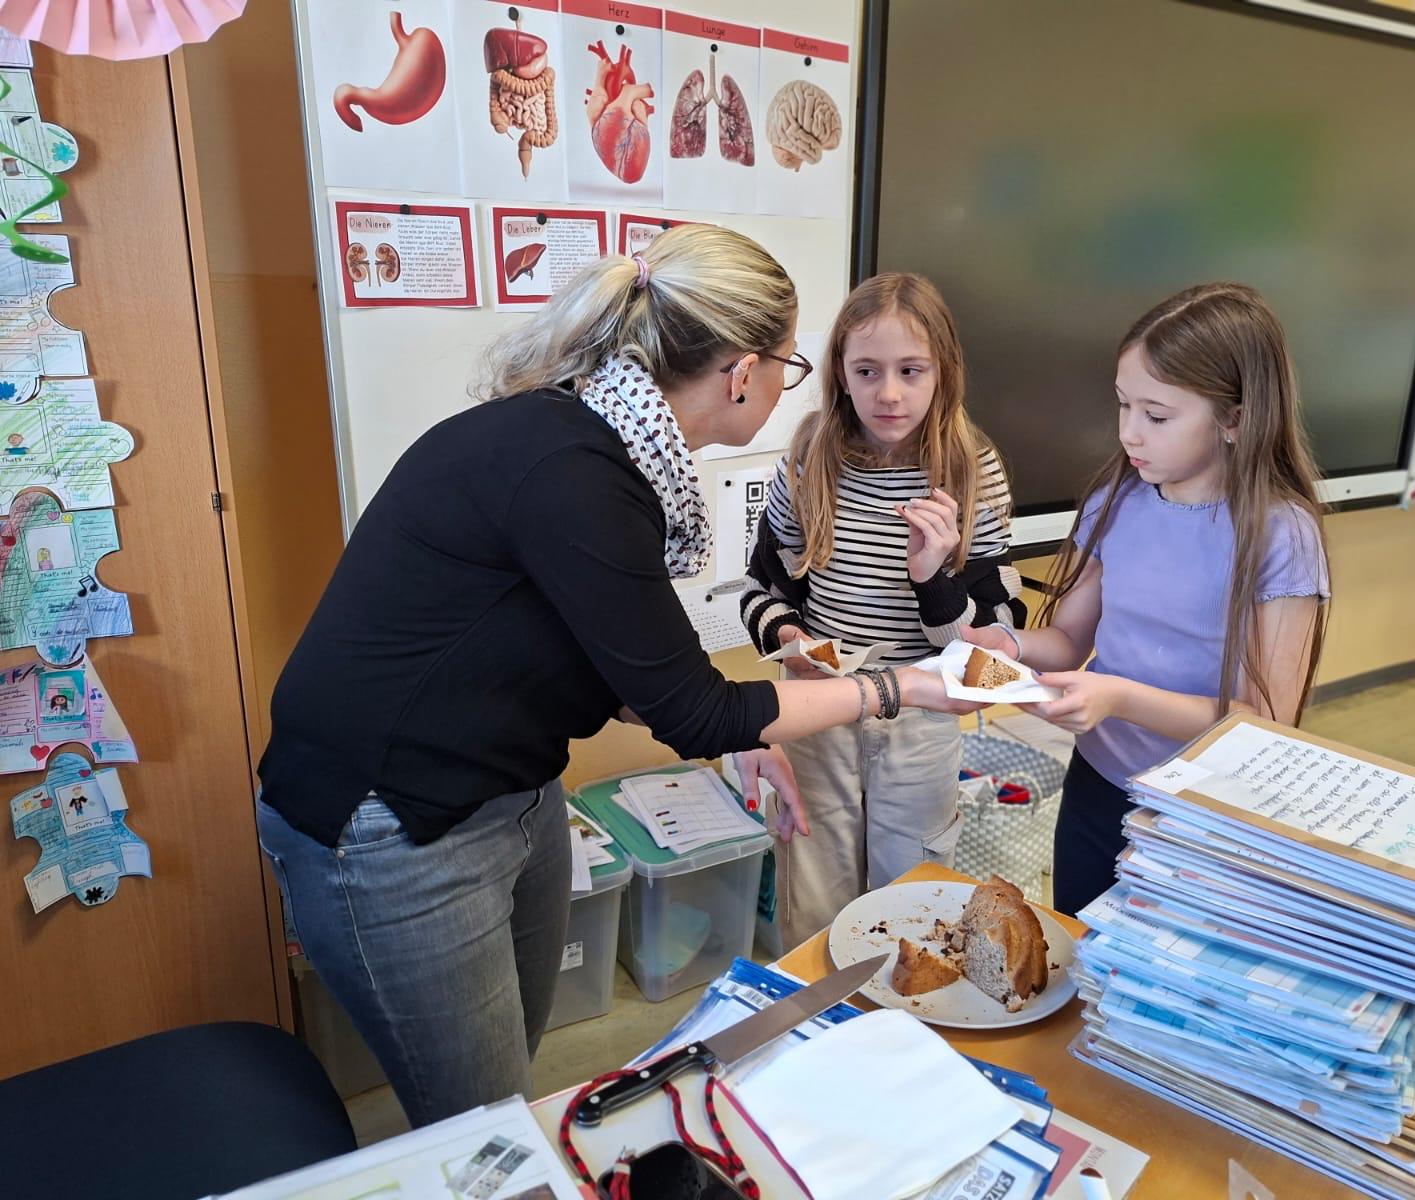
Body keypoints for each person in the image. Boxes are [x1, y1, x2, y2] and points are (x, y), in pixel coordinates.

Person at [255, 226, 976, 1127]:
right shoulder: (573, 468)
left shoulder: (601, 445)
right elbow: (693, 704)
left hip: (506, 788)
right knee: (481, 1122)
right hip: (388, 814)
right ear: (741, 373)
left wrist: (738, 735)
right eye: (794, 369)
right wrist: (899, 688)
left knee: (508, 1069)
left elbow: (639, 665)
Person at [964, 283, 1330, 915]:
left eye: (1156, 416)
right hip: (1097, 784)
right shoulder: (1118, 500)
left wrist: (1118, 698)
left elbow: (1264, 719)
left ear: (1235, 419)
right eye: (1123, 405)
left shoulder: (1281, 534)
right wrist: (1011, 645)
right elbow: (1071, 639)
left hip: (1202, 808)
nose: (1129, 432)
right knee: (1080, 952)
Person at [742, 273, 1023, 949]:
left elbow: (992, 657)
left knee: (916, 897)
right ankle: (823, 1029)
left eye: (910, 371)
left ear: (943, 373)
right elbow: (757, 587)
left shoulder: (971, 469)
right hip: (819, 711)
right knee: (814, 891)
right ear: (839, 372)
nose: (888, 393)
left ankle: (904, 1030)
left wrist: (932, 580)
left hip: (921, 722)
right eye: (867, 371)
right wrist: (789, 634)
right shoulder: (810, 457)